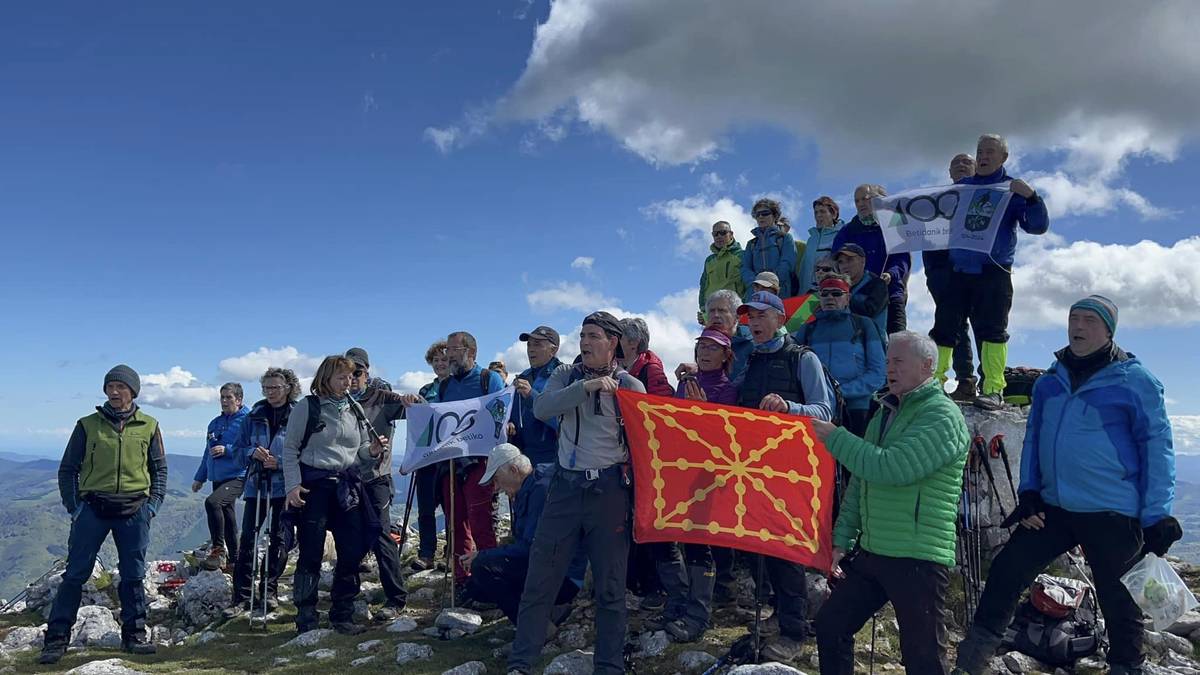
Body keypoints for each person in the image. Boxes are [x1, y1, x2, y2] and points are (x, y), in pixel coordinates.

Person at [953, 296, 1178, 675]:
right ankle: (972, 660)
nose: (1078, 326)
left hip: (1113, 510)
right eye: (1074, 318)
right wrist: (1029, 493)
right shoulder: (1050, 381)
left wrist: (1157, 515)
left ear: (1109, 330)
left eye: (1090, 320)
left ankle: (1127, 667)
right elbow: (1035, 439)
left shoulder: (1136, 381)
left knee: (1120, 600)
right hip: (1054, 507)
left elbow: (1158, 447)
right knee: (1007, 571)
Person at [810, 332, 970, 675]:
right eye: (887, 361)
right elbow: (861, 481)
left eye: (898, 361)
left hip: (919, 557)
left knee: (923, 660)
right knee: (831, 625)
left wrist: (836, 438)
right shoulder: (886, 411)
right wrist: (843, 538)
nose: (889, 369)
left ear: (927, 366)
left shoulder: (942, 416)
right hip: (875, 551)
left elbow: (890, 468)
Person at [507, 311, 647, 675]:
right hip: (565, 488)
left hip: (611, 491)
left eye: (594, 336)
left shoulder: (631, 385)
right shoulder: (565, 375)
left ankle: (610, 666)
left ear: (613, 343)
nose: (584, 342)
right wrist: (586, 388)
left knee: (611, 585)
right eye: (582, 335)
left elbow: (647, 442)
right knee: (541, 577)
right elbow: (541, 408)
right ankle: (521, 663)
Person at [41, 365, 167, 664]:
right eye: (109, 386)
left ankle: (134, 636)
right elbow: (68, 469)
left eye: (120, 387)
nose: (113, 391)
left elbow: (159, 468)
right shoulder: (87, 425)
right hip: (92, 510)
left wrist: (152, 506)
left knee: (133, 576)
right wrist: (76, 508)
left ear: (132, 392)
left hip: (135, 510)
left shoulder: (149, 425)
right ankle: (56, 640)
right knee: (75, 574)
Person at [734, 291, 835, 662]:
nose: (753, 322)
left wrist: (789, 406)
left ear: (780, 319)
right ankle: (777, 613)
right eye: (749, 317)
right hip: (753, 468)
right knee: (760, 545)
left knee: (785, 549)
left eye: (761, 315)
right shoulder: (749, 360)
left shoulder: (803, 358)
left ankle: (794, 633)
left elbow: (825, 410)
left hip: (790, 470)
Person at [930, 133, 1050, 410]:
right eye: (980, 151)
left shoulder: (1012, 190)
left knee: (992, 331)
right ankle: (934, 384)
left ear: (1004, 158)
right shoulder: (961, 189)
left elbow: (1037, 226)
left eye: (990, 152)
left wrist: (1032, 198)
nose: (983, 156)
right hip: (957, 270)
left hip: (993, 271)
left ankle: (993, 388)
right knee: (944, 329)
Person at [284, 355, 389, 635]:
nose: (348, 382)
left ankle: (342, 613)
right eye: (342, 377)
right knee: (311, 551)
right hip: (314, 487)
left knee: (351, 549)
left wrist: (374, 451)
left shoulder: (354, 409)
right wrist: (292, 486)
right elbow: (291, 449)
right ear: (326, 379)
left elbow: (362, 452)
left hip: (347, 485)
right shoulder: (309, 407)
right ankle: (306, 616)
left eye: (351, 377)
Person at [656, 328, 740, 643]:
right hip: (679, 472)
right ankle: (678, 602)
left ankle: (698, 614)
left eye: (713, 348)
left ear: (725, 356)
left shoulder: (728, 390)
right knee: (666, 536)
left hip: (707, 478)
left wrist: (703, 413)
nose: (705, 353)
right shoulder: (685, 384)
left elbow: (723, 441)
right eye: (701, 346)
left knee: (698, 542)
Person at [461, 443, 587, 625]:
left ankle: (534, 627)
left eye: (497, 479)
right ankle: (546, 612)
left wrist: (483, 555)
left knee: (483, 568)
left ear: (513, 470)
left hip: (564, 576)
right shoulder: (535, 484)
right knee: (477, 586)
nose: (496, 487)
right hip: (560, 568)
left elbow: (531, 546)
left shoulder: (541, 491)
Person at [223, 367, 298, 619]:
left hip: (284, 486)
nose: (270, 392)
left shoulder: (298, 415)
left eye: (275, 387)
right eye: (266, 388)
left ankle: (269, 591)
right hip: (257, 485)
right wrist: (251, 453)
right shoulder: (253, 415)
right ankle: (242, 597)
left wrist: (280, 463)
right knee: (248, 541)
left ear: (288, 388)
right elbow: (237, 448)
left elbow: (305, 450)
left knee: (278, 539)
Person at [437, 331, 506, 587]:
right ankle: (462, 579)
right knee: (455, 523)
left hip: (481, 460)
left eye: (454, 349)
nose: (449, 355)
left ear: (471, 352)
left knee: (481, 522)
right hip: (452, 461)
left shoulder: (490, 380)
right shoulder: (445, 385)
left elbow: (500, 418)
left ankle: (491, 579)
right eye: (447, 349)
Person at [617, 317, 677, 611]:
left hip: (645, 457)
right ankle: (636, 583)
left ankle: (656, 587)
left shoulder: (651, 371)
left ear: (631, 342)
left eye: (617, 336)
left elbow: (661, 411)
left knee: (646, 519)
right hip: (628, 455)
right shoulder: (623, 369)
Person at [345, 347, 408, 616]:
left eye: (357, 372)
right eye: (346, 372)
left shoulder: (383, 398)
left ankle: (396, 598)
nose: (352, 378)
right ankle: (346, 596)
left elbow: (415, 410)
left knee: (382, 535)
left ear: (367, 372)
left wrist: (412, 400)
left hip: (377, 478)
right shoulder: (339, 400)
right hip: (347, 478)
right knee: (349, 536)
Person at [797, 275, 886, 437]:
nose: (830, 297)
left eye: (837, 293)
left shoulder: (864, 325)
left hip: (857, 408)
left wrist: (840, 392)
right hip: (818, 409)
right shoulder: (807, 329)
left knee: (852, 461)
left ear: (848, 298)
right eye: (824, 294)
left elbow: (878, 373)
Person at [925, 153, 979, 402]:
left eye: (966, 162)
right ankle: (959, 380)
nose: (960, 166)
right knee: (952, 324)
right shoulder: (938, 202)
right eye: (955, 163)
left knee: (983, 325)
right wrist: (934, 273)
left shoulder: (984, 196)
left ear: (976, 168)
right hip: (943, 272)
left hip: (976, 270)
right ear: (949, 172)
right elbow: (925, 235)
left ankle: (986, 384)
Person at [832, 184, 912, 332]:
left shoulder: (893, 226)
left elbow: (902, 258)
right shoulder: (846, 232)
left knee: (897, 341)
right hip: (858, 296)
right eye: (857, 201)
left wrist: (891, 274)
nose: (861, 204)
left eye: (865, 199)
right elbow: (836, 260)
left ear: (878, 200)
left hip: (891, 293)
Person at [192, 383, 250, 571]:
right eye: (222, 397)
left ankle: (218, 550)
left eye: (229, 398)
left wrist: (228, 450)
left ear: (239, 400)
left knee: (212, 503)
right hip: (218, 476)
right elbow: (207, 452)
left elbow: (253, 447)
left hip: (238, 475)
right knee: (228, 515)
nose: (224, 401)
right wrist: (200, 477)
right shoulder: (215, 423)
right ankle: (235, 561)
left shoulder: (247, 420)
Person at [411, 340, 449, 571]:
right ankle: (426, 553)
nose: (439, 364)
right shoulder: (426, 391)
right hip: (427, 456)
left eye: (444, 359)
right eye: (435, 360)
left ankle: (452, 553)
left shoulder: (458, 386)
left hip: (452, 457)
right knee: (425, 508)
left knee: (452, 507)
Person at [511, 326, 564, 466]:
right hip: (522, 458)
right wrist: (510, 424)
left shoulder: (563, 376)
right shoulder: (522, 377)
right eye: (529, 345)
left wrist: (531, 396)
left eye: (537, 345)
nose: (531, 349)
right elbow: (514, 414)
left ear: (553, 350)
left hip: (551, 458)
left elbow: (563, 421)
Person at [741, 198, 798, 299]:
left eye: (765, 213)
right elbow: (745, 268)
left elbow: (787, 264)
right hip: (754, 293)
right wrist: (757, 283)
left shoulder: (785, 238)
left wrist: (770, 282)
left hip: (779, 292)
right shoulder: (751, 244)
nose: (760, 217)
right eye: (757, 215)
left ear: (775, 216)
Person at [836, 243, 888, 339]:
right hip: (843, 340)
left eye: (849, 260)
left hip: (872, 343)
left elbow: (869, 312)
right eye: (840, 262)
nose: (844, 265)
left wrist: (844, 298)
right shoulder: (834, 286)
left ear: (862, 261)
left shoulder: (877, 284)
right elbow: (800, 316)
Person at [796, 196, 846, 296]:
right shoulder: (811, 239)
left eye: (822, 212)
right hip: (804, 294)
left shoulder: (841, 235)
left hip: (828, 293)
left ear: (834, 214)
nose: (818, 215)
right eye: (816, 212)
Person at [698, 220, 745, 324]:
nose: (719, 236)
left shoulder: (742, 255)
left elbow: (748, 283)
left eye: (723, 233)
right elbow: (703, 286)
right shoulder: (709, 260)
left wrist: (744, 309)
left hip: (734, 312)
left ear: (731, 234)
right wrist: (703, 310)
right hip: (712, 313)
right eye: (715, 234)